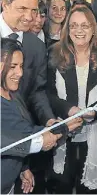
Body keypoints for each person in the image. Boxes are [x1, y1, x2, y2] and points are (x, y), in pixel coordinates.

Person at [47, 6, 97, 194]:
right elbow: (47, 93)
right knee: (61, 185)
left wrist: (95, 111)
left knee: (88, 188)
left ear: (93, 29)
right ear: (67, 29)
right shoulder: (54, 52)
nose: (79, 31)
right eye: (73, 25)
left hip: (94, 133)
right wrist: (68, 110)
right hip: (62, 131)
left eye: (84, 25)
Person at [0, 38, 62, 194]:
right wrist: (40, 141)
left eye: (21, 66)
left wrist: (23, 167)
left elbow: (20, 130)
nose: (20, 73)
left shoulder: (13, 94)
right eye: (12, 66)